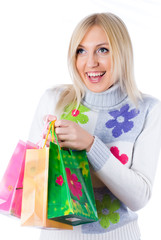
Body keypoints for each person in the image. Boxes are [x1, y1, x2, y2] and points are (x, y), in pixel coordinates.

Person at [28, 12, 161, 240]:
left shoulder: (148, 109)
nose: (91, 63)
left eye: (103, 50)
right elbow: (31, 189)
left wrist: (91, 145)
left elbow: (139, 198)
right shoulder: (55, 100)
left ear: (122, 53)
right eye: (81, 51)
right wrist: (45, 152)